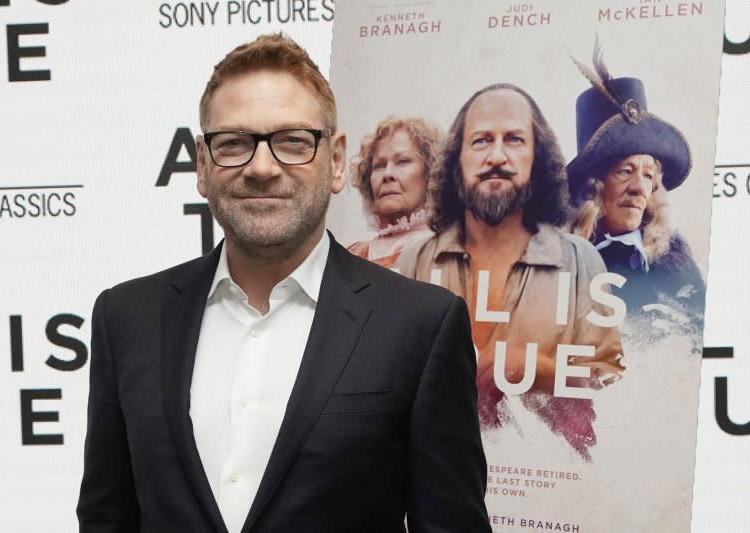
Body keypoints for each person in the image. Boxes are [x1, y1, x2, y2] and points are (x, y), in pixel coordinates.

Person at [77, 34, 490, 533]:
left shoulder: (421, 325)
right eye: (234, 143)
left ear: (336, 161)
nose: (262, 167)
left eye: (293, 141)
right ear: (202, 166)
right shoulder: (126, 318)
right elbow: (106, 517)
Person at [397, 83, 624, 459]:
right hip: (436, 485)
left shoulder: (582, 263)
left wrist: (536, 368)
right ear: (458, 159)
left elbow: (612, 383)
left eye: (515, 140)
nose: (497, 156)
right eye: (482, 141)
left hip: (547, 483)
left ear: (538, 159)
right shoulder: (416, 262)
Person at [567, 58, 705, 318]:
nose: (640, 188)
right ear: (592, 186)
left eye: (648, 174)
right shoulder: (557, 257)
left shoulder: (674, 260)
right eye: (625, 172)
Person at [347, 117, 439, 268]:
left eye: (403, 161)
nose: (387, 174)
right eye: (379, 166)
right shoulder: (351, 256)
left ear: (430, 172)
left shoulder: (445, 254)